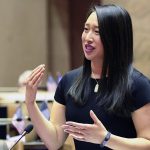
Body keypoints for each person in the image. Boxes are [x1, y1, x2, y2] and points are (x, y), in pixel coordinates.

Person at [25, 4, 150, 150]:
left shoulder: (138, 85)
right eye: (86, 29)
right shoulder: (69, 81)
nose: (87, 38)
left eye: (97, 31)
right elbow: (54, 141)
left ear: (115, 38)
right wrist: (30, 103)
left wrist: (106, 138)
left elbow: (147, 142)